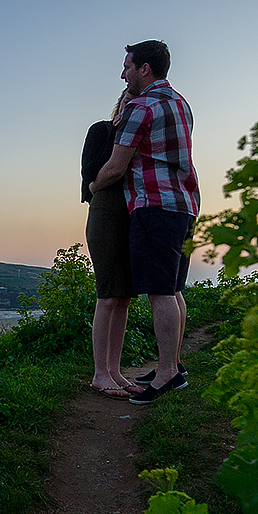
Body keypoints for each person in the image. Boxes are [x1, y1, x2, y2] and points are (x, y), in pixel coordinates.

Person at [89, 40, 198, 404]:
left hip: (154, 203)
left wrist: (93, 184)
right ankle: (174, 364)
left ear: (144, 68)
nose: (124, 74)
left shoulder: (142, 106)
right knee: (174, 287)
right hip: (185, 203)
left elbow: (117, 166)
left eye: (127, 66)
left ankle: (167, 373)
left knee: (160, 291)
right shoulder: (180, 103)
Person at [83, 88, 137, 398]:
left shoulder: (141, 140)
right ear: (120, 104)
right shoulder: (102, 130)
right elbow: (90, 176)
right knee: (107, 294)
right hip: (105, 213)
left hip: (133, 215)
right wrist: (119, 137)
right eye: (127, 102)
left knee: (125, 296)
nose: (132, 108)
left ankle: (114, 370)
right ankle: (99, 373)